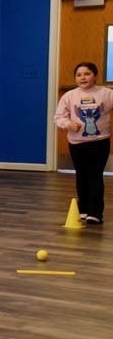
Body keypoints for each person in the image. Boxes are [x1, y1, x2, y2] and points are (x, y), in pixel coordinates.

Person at [54, 62, 113, 225]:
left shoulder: (107, 93)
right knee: (81, 176)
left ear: (95, 76)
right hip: (76, 143)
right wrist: (68, 124)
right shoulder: (69, 96)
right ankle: (84, 209)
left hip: (99, 143)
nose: (83, 77)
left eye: (87, 73)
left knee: (95, 176)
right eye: (79, 75)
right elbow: (58, 117)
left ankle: (95, 213)